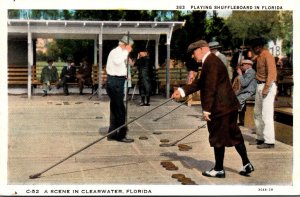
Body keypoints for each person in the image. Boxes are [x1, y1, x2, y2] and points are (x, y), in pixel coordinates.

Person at [172, 40, 254, 178]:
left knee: (217, 137)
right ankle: (247, 164)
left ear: (202, 49)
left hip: (220, 107)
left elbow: (210, 87)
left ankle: (219, 169)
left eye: (193, 52)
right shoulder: (210, 61)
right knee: (234, 134)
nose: (193, 56)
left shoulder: (210, 62)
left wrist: (207, 109)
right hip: (228, 106)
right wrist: (182, 91)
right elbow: (200, 83)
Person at [105, 35, 134, 143]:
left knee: (115, 108)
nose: (130, 48)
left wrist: (124, 74)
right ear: (125, 45)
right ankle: (121, 135)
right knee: (121, 110)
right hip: (115, 82)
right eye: (129, 46)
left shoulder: (118, 52)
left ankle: (112, 133)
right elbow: (117, 62)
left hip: (116, 81)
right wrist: (126, 52)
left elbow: (118, 66)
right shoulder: (116, 52)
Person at [250, 38, 277, 149]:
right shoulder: (260, 56)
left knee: (267, 114)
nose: (254, 49)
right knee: (257, 113)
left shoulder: (267, 55)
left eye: (255, 47)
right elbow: (253, 58)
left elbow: (272, 73)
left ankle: (269, 141)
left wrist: (266, 88)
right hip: (259, 85)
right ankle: (260, 138)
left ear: (260, 46)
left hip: (267, 85)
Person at [232, 59, 257, 126]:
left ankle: (236, 120)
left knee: (238, 100)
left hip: (250, 92)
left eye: (242, 65)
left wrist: (240, 74)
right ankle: (241, 120)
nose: (241, 67)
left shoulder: (251, 72)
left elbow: (244, 84)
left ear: (248, 65)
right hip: (246, 92)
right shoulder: (247, 72)